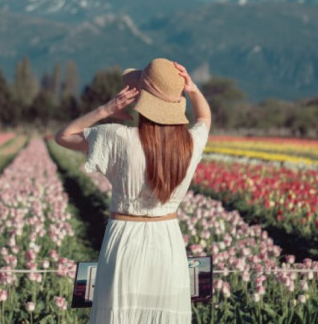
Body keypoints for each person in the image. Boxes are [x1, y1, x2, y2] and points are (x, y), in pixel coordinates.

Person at [55, 58, 211, 324]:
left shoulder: (118, 137)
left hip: (125, 240)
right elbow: (205, 117)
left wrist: (106, 109)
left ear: (142, 98)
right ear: (176, 103)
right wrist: (193, 89)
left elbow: (64, 135)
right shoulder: (190, 144)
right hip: (168, 241)